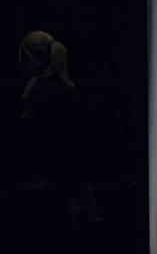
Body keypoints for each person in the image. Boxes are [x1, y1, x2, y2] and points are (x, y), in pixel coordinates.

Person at [17, 31, 99, 252]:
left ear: (28, 56)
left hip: (50, 191)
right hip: (65, 188)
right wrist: (88, 194)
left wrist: (72, 198)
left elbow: (60, 149)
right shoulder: (67, 89)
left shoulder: (48, 94)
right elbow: (82, 143)